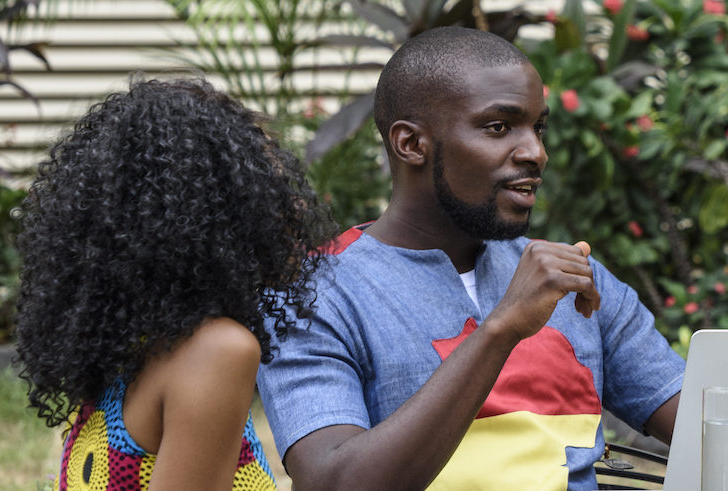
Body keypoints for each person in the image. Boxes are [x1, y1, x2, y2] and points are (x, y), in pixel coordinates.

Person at [254, 26, 686, 490]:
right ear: (411, 144)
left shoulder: (571, 276)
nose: (535, 153)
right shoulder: (312, 297)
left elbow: (711, 424)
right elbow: (333, 482)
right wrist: (501, 330)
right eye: (499, 127)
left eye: (537, 127)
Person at [15, 78, 331, 490]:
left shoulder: (115, 349)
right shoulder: (216, 350)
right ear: (220, 215)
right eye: (266, 188)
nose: (292, 206)